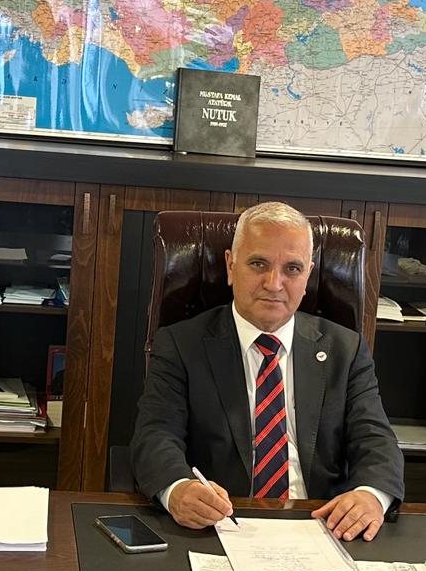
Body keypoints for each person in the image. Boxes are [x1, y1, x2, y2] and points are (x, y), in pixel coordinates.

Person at [130, 202, 404, 541]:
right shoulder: (181, 344)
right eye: (258, 264)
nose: (274, 284)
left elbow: (376, 440)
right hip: (221, 525)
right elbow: (155, 436)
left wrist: (370, 496)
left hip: (322, 525)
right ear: (231, 266)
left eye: (292, 268)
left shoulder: (344, 349)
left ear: (308, 275)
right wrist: (178, 489)